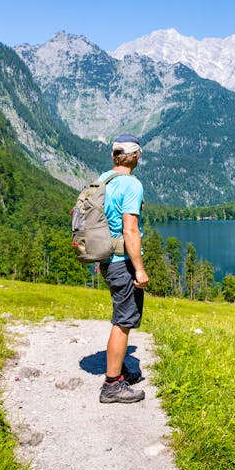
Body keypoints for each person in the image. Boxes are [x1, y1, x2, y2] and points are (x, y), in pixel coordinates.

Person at [98, 133, 150, 404]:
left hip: (108, 260)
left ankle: (118, 371)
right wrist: (139, 269)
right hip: (123, 262)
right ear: (137, 157)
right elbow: (130, 229)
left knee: (122, 316)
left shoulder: (104, 180)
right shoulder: (131, 185)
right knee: (123, 322)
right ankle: (112, 384)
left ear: (113, 156)